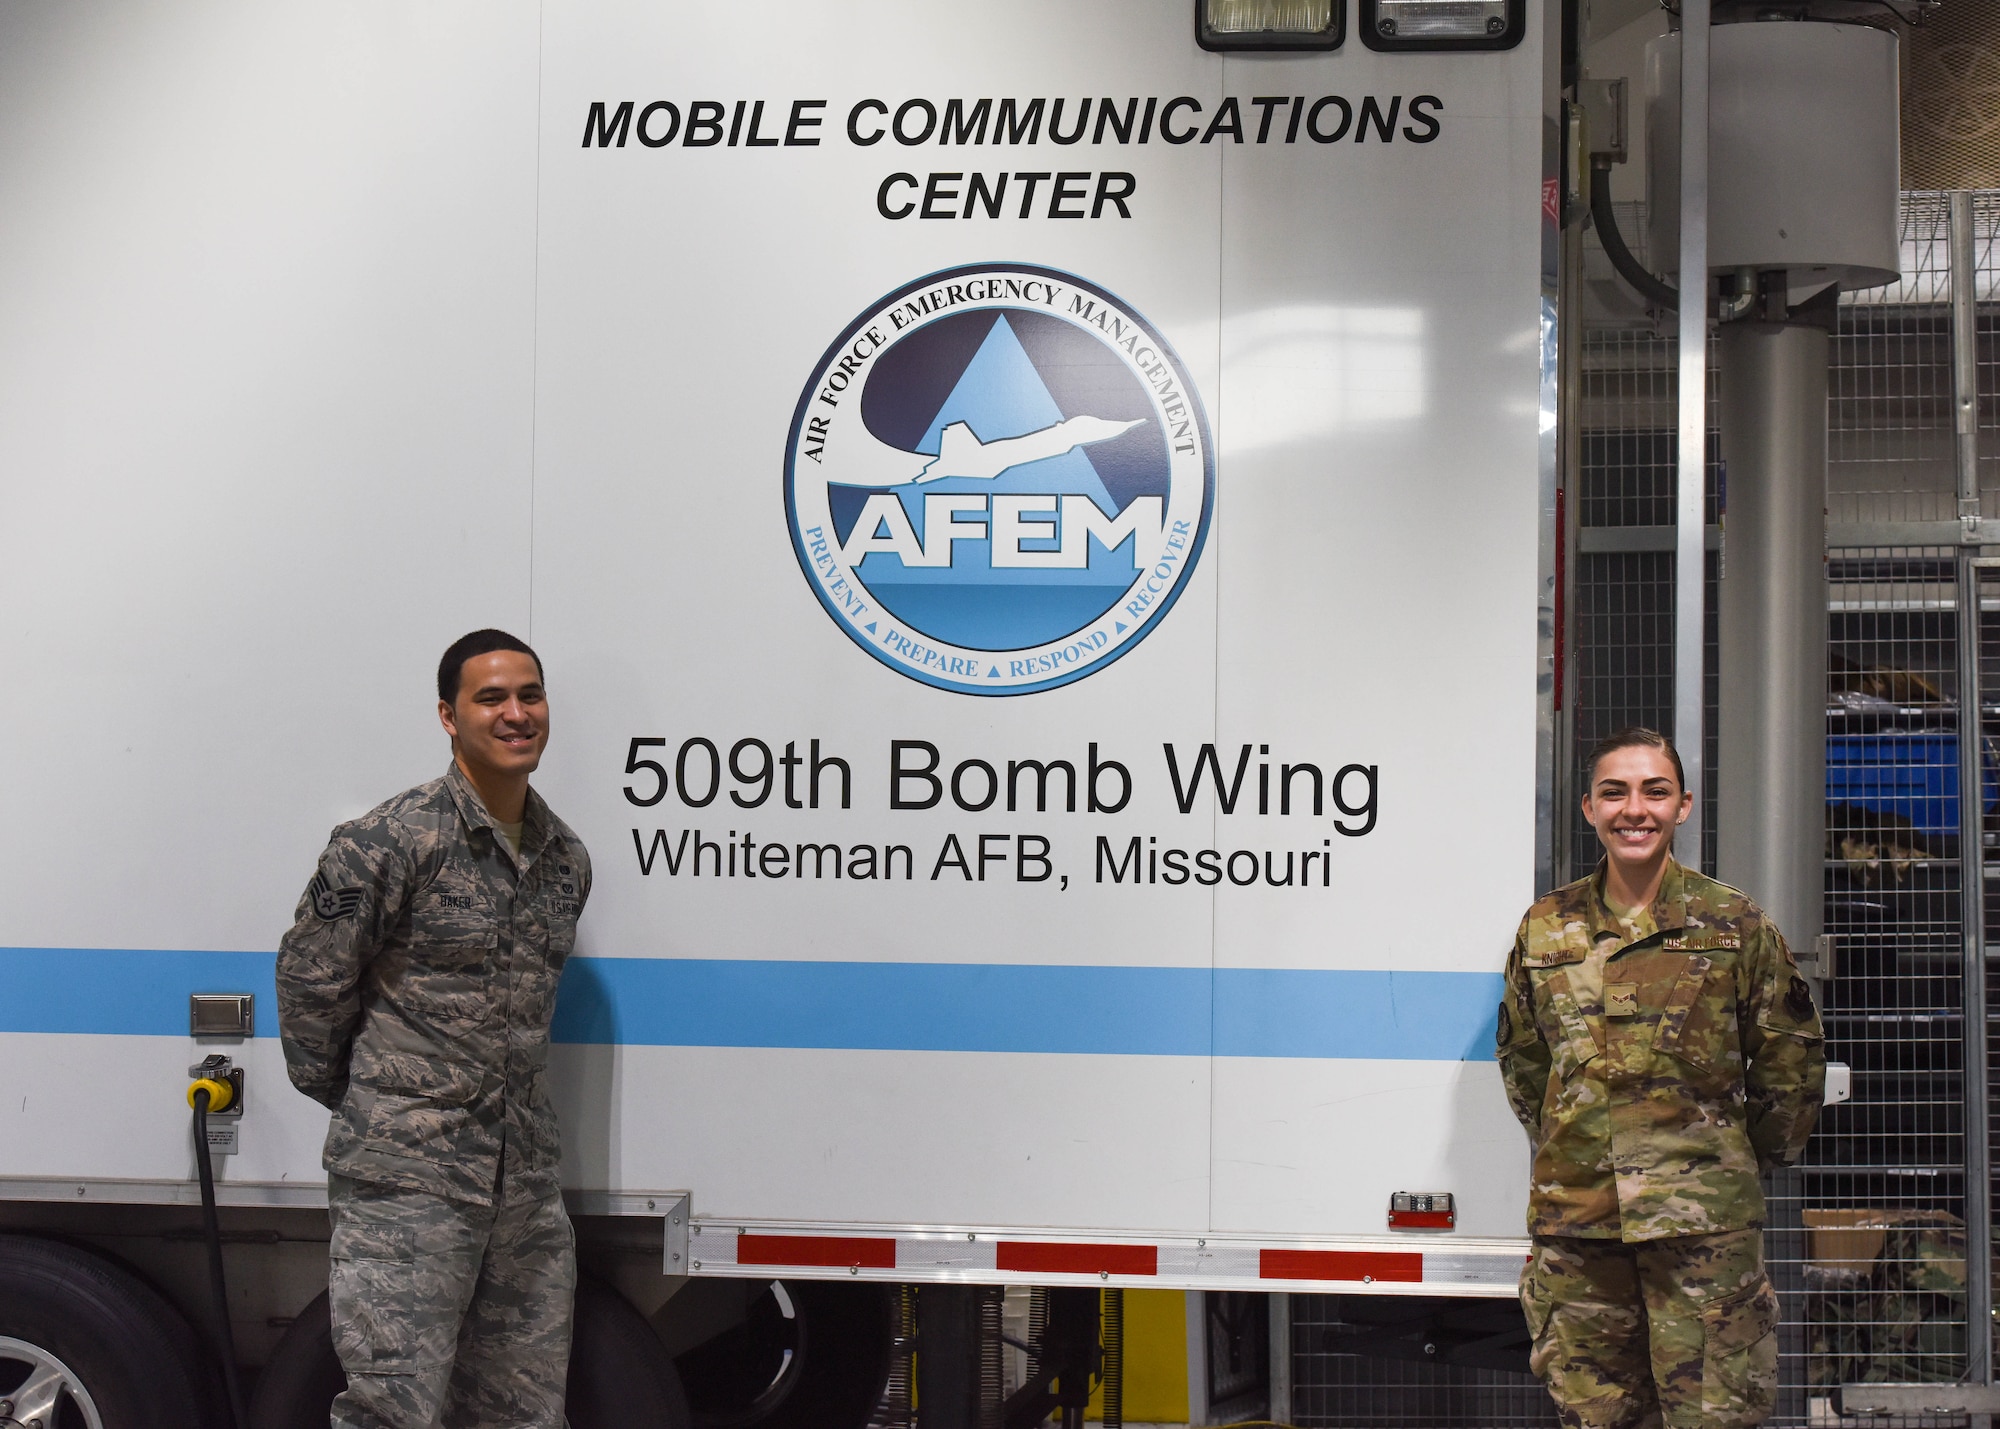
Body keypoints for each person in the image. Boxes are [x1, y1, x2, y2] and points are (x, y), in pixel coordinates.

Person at [277, 629, 591, 1429]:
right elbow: (311, 988)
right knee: (392, 1413)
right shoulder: (387, 843)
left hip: (521, 1191)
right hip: (408, 1188)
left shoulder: (564, 860)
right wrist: (382, 1114)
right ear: (449, 716)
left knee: (523, 1414)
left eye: (531, 694)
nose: (516, 713)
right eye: (492, 697)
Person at [1497, 727, 1825, 1429]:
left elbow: (1789, 1071)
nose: (1633, 808)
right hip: (1581, 1234)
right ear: (1588, 807)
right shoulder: (1546, 928)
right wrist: (1583, 1147)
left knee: (1715, 1418)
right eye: (1614, 791)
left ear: (1683, 806)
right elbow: (1526, 1064)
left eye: (1655, 790)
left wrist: (1720, 1166)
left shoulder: (1733, 926)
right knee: (1596, 1419)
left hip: (1703, 1236)